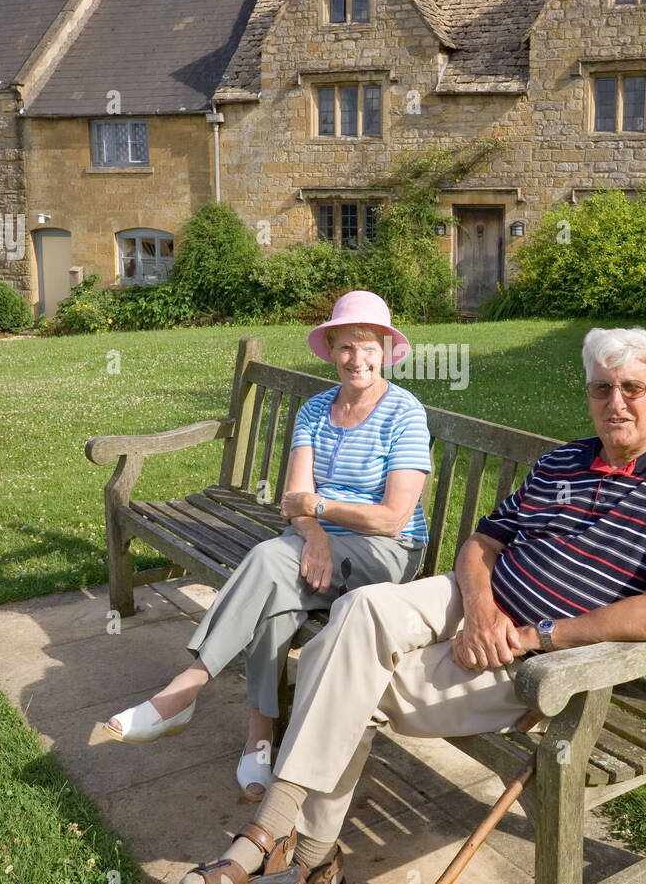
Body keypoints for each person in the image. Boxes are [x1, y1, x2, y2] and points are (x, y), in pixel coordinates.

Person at [168, 325, 646, 884]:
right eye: (601, 389)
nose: (615, 403)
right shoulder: (564, 460)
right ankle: (292, 849)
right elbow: (482, 542)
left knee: (345, 678)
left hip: (545, 658)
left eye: (633, 388)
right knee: (359, 611)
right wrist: (483, 610)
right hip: (476, 605)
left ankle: (291, 849)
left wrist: (529, 638)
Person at [104, 290, 432, 801]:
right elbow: (291, 503)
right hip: (314, 541)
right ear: (331, 349)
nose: (356, 359)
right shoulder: (316, 410)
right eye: (345, 347)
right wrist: (316, 533)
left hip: (384, 552)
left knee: (268, 561)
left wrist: (318, 511)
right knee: (277, 595)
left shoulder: (404, 414)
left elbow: (390, 518)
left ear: (386, 349)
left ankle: (186, 689)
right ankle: (259, 745)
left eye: (367, 346)